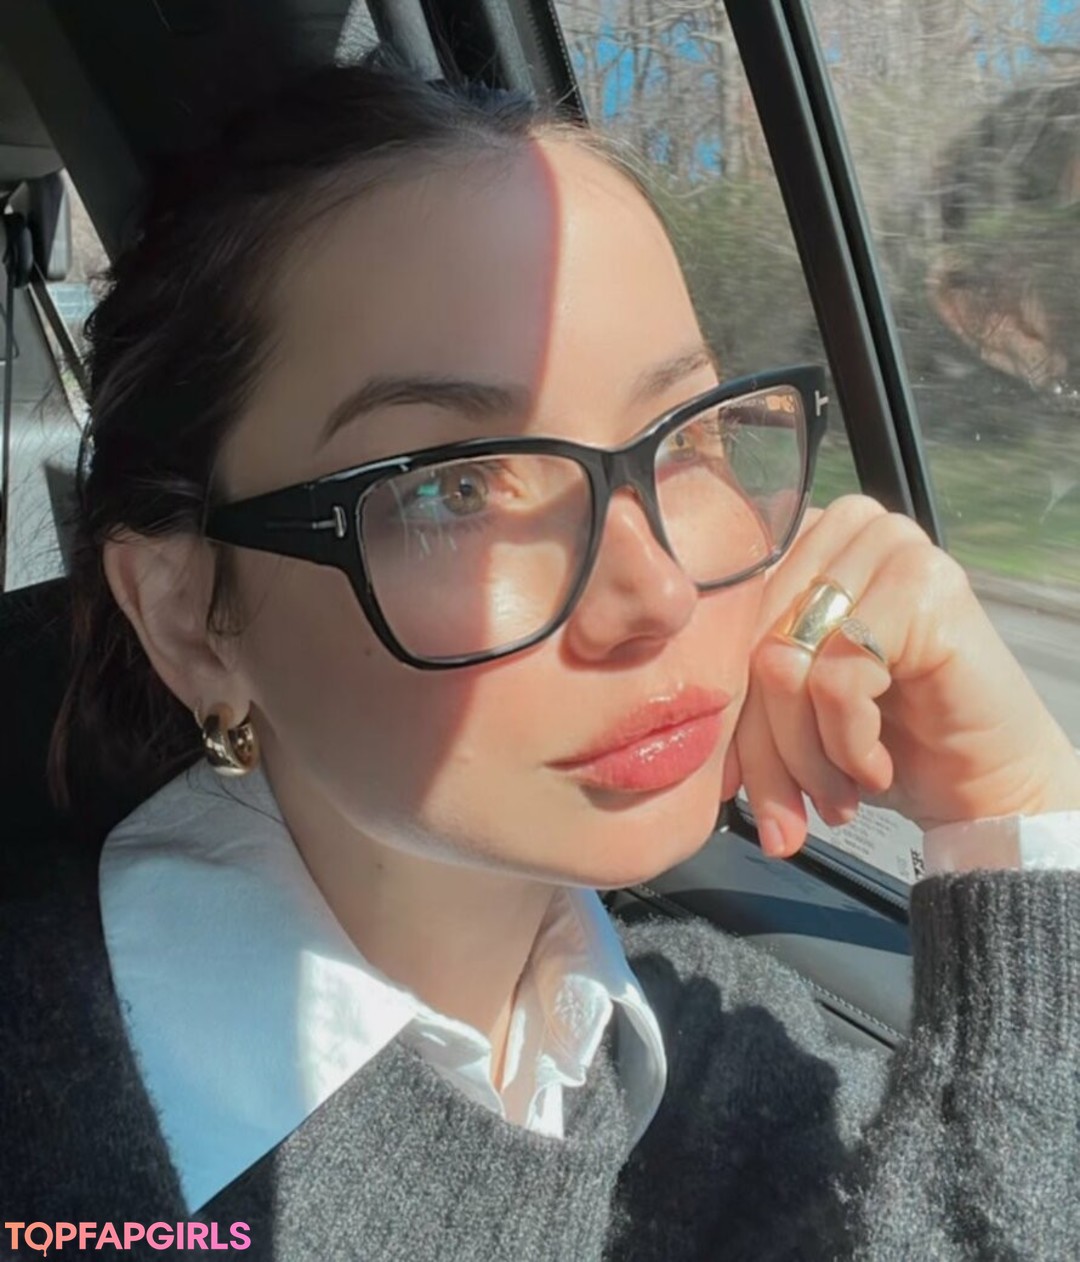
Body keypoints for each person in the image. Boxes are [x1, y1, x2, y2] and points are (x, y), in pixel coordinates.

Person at [5, 51, 1080, 1260]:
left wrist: (1012, 811)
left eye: (688, 435)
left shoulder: (721, 1049)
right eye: (456, 489)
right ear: (190, 614)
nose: (657, 592)